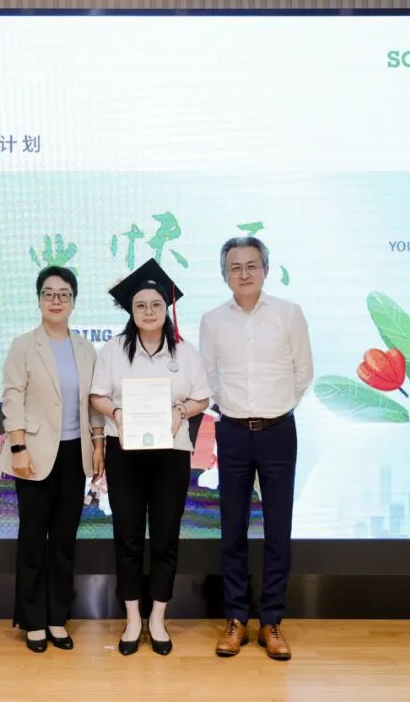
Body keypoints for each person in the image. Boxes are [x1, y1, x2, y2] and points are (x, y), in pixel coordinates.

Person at [199, 236, 313, 661]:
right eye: (235, 267)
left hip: (279, 431)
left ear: (265, 269)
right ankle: (235, 619)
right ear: (224, 275)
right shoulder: (212, 321)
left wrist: (275, 409)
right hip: (231, 432)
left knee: (278, 529)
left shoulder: (289, 314)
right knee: (232, 529)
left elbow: (303, 372)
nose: (243, 273)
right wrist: (235, 410)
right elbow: (209, 376)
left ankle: (271, 621)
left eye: (251, 265)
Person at [90, 259, 210, 656]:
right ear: (131, 310)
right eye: (140, 305)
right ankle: (132, 619)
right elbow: (97, 396)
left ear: (166, 308)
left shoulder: (185, 352)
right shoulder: (114, 350)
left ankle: (157, 617)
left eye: (156, 304)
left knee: (164, 537)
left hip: (170, 454)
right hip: (125, 453)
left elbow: (202, 397)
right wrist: (117, 412)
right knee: (127, 536)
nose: (148, 311)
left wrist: (182, 410)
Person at [0, 266, 105, 653]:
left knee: (63, 540)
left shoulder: (85, 348)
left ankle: (58, 618)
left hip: (75, 455)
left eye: (64, 294)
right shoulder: (24, 345)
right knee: (32, 539)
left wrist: (98, 443)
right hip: (34, 454)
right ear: (39, 300)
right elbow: (12, 397)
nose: (56, 300)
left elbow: (92, 402)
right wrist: (18, 447)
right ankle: (33, 621)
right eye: (48, 293)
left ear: (74, 301)